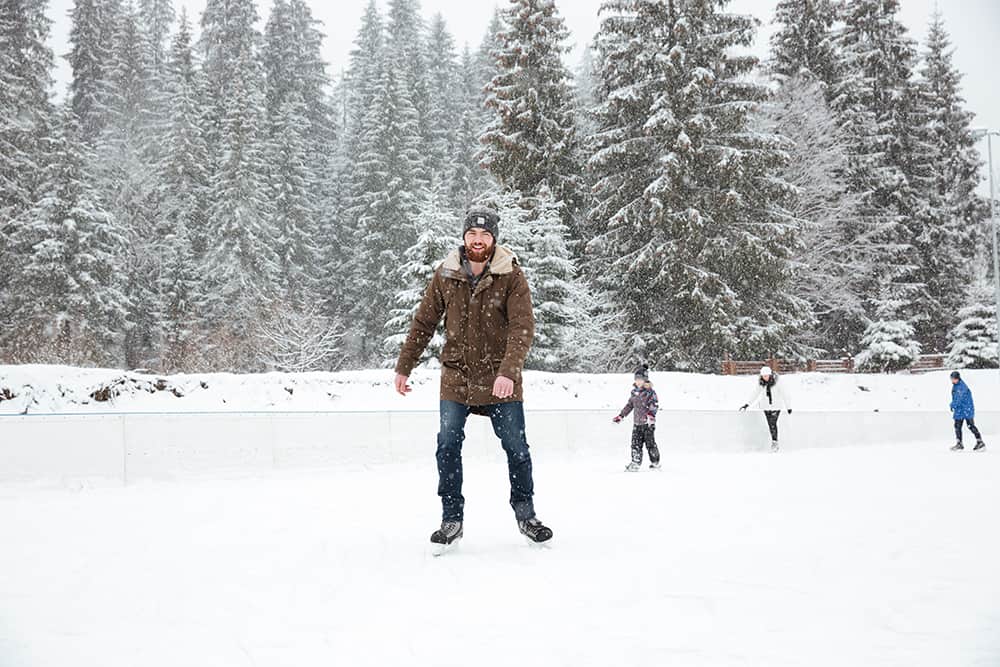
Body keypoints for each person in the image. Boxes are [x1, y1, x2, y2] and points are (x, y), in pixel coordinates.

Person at [394, 205, 553, 550]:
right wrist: (405, 366)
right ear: (464, 237)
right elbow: (424, 323)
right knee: (447, 446)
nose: (477, 240)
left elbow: (522, 327)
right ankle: (451, 519)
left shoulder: (510, 275)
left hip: (500, 379)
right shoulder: (446, 274)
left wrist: (508, 371)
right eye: (472, 234)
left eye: (484, 234)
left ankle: (527, 516)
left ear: (494, 238)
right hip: (458, 377)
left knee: (517, 449)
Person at [612, 365, 661, 471]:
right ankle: (635, 463)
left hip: (648, 424)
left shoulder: (650, 392)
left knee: (650, 444)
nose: (638, 382)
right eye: (636, 379)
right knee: (635, 444)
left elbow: (654, 404)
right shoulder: (634, 393)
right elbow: (629, 405)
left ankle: (655, 462)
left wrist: (651, 416)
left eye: (640, 379)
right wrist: (621, 416)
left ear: (645, 380)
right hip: (637, 424)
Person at [739, 365, 792, 452]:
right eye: (763, 376)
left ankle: (775, 443)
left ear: (770, 375)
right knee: (770, 425)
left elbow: (785, 394)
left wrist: (788, 407)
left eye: (766, 376)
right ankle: (773, 441)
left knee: (772, 423)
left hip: (776, 407)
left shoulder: (777, 382)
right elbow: (755, 393)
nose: (765, 378)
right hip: (766, 407)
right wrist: (747, 404)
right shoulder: (761, 383)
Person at [949, 371, 986, 451]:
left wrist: (952, 405)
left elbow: (958, 398)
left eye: (953, 379)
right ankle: (959, 443)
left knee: (970, 426)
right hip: (961, 410)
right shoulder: (956, 385)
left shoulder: (961, 386)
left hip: (966, 409)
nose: (952, 380)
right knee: (958, 426)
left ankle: (980, 442)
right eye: (951, 379)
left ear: (957, 378)